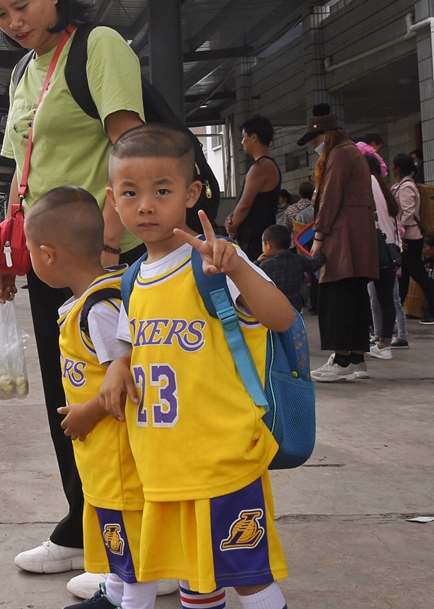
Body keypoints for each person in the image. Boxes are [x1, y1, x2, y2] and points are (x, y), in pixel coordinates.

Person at [0, 0, 147, 582]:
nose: (14, 22)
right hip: (54, 265)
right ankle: (85, 523)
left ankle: (132, 535)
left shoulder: (98, 46)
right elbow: (23, 175)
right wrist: (7, 253)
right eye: (0, 15)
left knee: (117, 396)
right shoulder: (26, 72)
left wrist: (107, 248)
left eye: (21, 5)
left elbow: (129, 149)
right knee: (67, 397)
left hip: (103, 262)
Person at [100, 123, 294, 609]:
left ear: (191, 193)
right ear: (113, 199)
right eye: (130, 192)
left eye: (161, 191)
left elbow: (281, 318)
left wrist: (237, 268)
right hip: (163, 464)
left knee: (248, 576)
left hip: (221, 457)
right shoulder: (130, 281)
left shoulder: (210, 263)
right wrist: (117, 367)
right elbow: (128, 345)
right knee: (195, 575)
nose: (145, 205)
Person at [25, 186, 160, 609]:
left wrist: (86, 413)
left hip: (117, 455)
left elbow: (127, 378)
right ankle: (114, 593)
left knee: (130, 543)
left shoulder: (98, 310)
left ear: (48, 255)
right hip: (101, 458)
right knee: (115, 537)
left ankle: (130, 601)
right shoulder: (89, 302)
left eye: (29, 252)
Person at [301, 105, 379, 382]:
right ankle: (357, 358)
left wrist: (318, 238)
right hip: (357, 238)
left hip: (342, 237)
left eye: (315, 139)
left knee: (335, 297)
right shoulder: (351, 152)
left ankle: (342, 359)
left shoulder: (339, 155)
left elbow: (330, 198)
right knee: (355, 296)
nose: (314, 146)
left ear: (327, 135)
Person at [226, 114, 281, 261]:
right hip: (260, 238)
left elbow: (245, 205)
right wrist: (232, 217)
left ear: (254, 137)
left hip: (255, 241)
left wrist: (233, 226)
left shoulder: (261, 167)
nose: (243, 142)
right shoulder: (267, 165)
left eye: (244, 137)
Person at [365, 156, 401, 359]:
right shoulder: (384, 187)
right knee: (386, 299)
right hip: (390, 250)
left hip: (374, 250)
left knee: (364, 297)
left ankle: (366, 341)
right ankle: (384, 344)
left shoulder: (367, 183)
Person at [392, 155, 434, 324]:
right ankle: (397, 311)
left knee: (418, 274)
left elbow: (408, 213)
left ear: (398, 169)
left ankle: (432, 309)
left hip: (410, 237)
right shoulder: (402, 185)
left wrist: (399, 233)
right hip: (407, 237)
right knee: (404, 276)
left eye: (394, 166)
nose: (392, 169)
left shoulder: (407, 187)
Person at [256, 224, 325, 310]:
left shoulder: (265, 265)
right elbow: (315, 264)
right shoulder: (298, 260)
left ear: (268, 244)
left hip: (273, 309)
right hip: (295, 307)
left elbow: (251, 276)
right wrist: (319, 252)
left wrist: (258, 262)